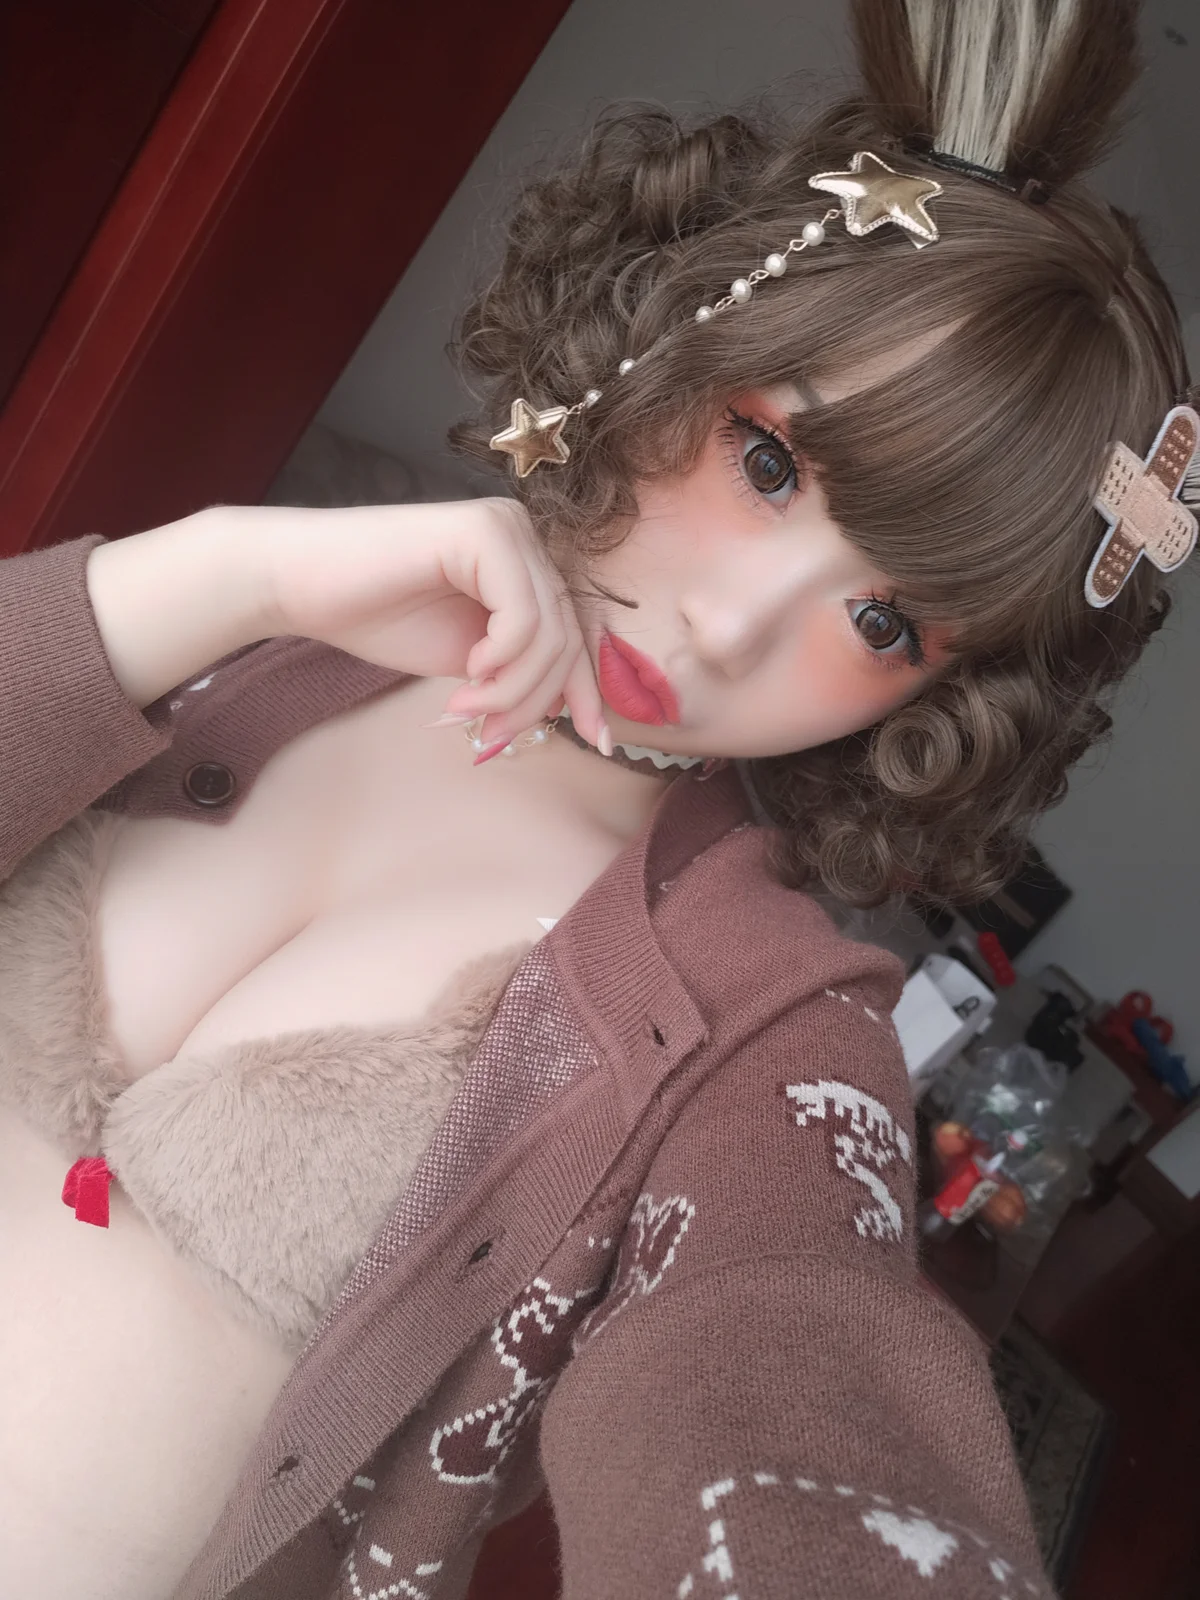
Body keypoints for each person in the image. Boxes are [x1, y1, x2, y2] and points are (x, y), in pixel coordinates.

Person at [0, 1, 1194, 1595]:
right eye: (768, 465)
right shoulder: (274, 623)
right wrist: (224, 572)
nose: (731, 628)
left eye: (885, 621)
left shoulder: (760, 1024)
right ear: (681, 331)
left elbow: (800, 1389)